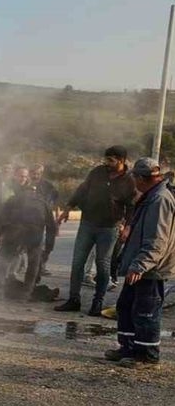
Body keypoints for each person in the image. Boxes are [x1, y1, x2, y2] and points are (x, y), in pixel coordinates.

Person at [104, 157, 175, 367]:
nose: (133, 180)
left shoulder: (160, 199)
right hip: (139, 265)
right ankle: (128, 347)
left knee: (146, 311)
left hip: (150, 269)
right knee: (126, 306)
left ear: (142, 178)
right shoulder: (150, 196)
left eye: (134, 177)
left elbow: (157, 238)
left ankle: (146, 354)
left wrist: (140, 264)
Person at [55, 146, 136, 316]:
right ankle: (73, 299)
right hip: (87, 223)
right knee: (78, 262)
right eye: (106, 159)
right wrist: (67, 209)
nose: (106, 163)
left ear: (121, 161)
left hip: (109, 228)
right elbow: (82, 190)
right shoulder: (98, 172)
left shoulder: (129, 180)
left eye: (111, 160)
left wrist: (127, 227)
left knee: (102, 264)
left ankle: (97, 302)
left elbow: (131, 207)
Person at [0, 171, 53, 300]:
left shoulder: (13, 199)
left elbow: (2, 219)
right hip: (35, 235)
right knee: (33, 263)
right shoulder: (43, 202)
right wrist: (49, 248)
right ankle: (26, 293)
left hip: (15, 233)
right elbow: (51, 227)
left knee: (5, 259)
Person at [30, 164, 59, 276]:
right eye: (33, 173)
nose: (36, 175)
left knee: (49, 243)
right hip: (31, 218)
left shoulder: (48, 186)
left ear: (41, 173)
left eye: (38, 173)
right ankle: (37, 267)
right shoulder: (26, 185)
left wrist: (57, 221)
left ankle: (42, 264)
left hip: (47, 217)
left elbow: (55, 204)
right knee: (35, 243)